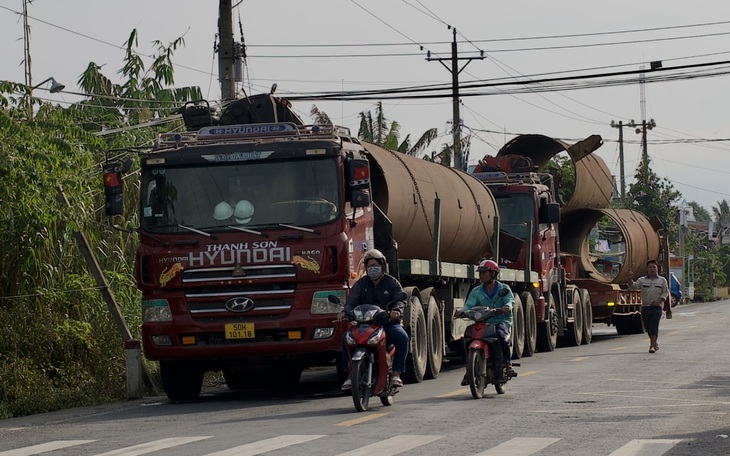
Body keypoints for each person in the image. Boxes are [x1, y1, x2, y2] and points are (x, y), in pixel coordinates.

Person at [339, 249, 409, 390]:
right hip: (365, 324)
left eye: (375, 265)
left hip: (387, 324)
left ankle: (396, 373)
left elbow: (400, 300)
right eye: (369, 266)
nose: (372, 269)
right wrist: (344, 311)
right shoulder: (361, 284)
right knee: (345, 338)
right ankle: (349, 376)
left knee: (403, 337)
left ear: (382, 266)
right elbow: (351, 301)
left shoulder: (392, 282)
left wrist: (396, 311)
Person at [454, 259, 515, 386]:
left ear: (493, 274)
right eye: (480, 273)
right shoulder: (476, 291)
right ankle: (468, 369)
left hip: (500, 321)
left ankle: (507, 364)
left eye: (484, 272)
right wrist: (461, 311)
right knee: (468, 337)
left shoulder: (504, 288)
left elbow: (510, 301)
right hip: (483, 322)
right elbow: (469, 305)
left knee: (501, 337)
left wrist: (507, 307)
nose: (481, 275)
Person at [628, 259, 669, 353]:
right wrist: (630, 279)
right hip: (645, 307)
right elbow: (633, 287)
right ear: (647, 269)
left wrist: (659, 301)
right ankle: (655, 342)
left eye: (653, 267)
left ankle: (652, 345)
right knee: (648, 327)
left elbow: (665, 292)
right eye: (650, 267)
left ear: (657, 268)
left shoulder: (662, 280)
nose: (652, 269)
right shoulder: (641, 280)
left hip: (657, 308)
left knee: (654, 326)